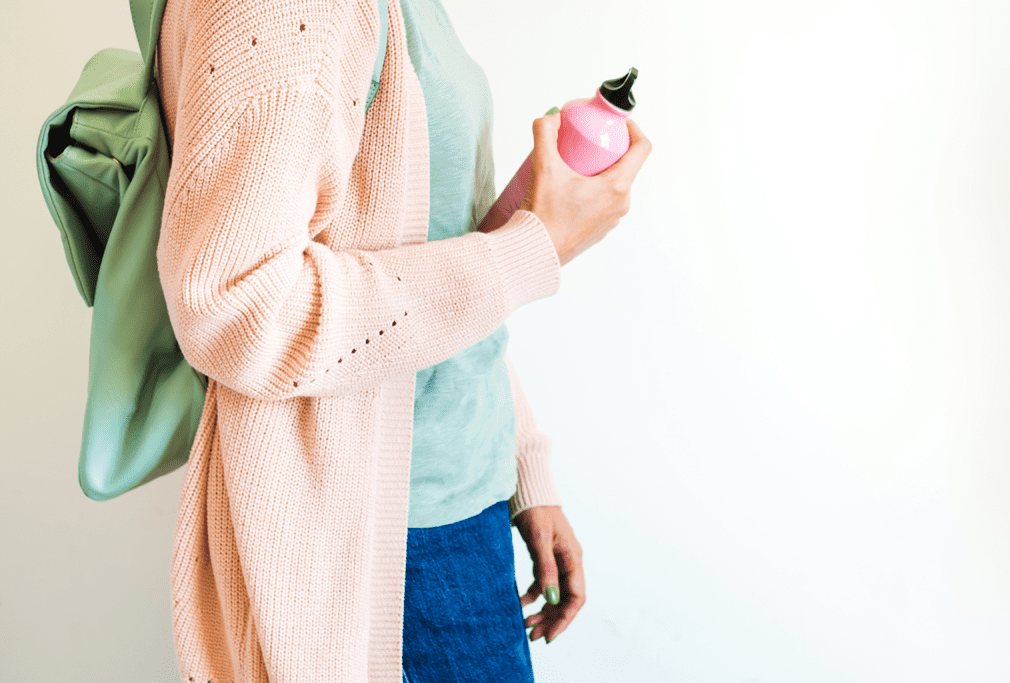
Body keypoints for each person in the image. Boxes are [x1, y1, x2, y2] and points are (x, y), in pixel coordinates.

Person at [155, 0, 651, 681]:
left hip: (462, 506)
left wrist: (524, 465)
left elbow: (430, 250)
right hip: (389, 542)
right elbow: (239, 306)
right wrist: (532, 251)